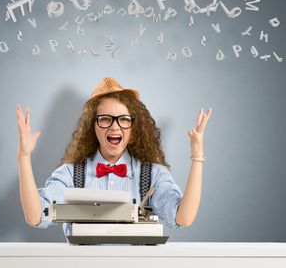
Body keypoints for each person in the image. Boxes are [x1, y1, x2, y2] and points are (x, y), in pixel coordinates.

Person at [16, 77, 212, 236]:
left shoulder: (153, 175)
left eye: (124, 119)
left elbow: (183, 218)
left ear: (133, 128)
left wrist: (197, 157)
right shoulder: (70, 174)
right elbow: (36, 216)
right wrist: (24, 157)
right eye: (105, 119)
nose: (115, 126)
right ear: (93, 127)